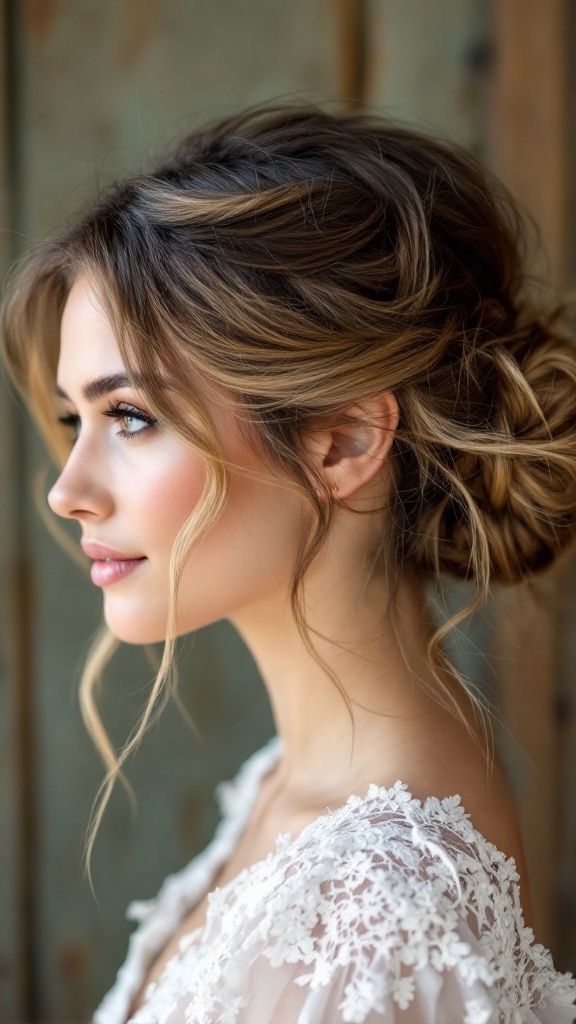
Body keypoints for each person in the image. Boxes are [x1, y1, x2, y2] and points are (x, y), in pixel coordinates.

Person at [2, 105, 576, 1024]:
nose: (67, 491)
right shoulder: (291, 788)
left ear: (342, 441)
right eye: (78, 420)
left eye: (132, 417)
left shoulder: (376, 910)